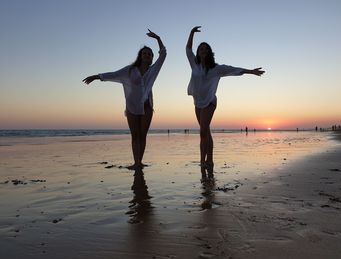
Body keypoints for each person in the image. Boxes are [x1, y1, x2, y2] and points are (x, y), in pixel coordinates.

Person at [186, 26, 264, 177]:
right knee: (206, 131)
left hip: (210, 102)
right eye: (200, 48)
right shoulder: (194, 65)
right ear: (198, 52)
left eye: (205, 48)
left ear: (209, 52)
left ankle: (203, 161)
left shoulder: (216, 68)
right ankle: (210, 160)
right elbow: (188, 49)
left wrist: (250, 71)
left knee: (202, 131)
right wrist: (191, 33)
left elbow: (234, 70)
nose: (202, 50)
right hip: (197, 102)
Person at [83, 30, 166, 170]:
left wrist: (158, 38)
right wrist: (96, 77)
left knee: (143, 135)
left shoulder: (153, 70)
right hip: (132, 107)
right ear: (140, 56)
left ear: (152, 58)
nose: (146, 55)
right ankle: (136, 162)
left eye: (149, 54)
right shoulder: (130, 70)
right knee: (135, 135)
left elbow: (163, 54)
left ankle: (140, 161)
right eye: (144, 53)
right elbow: (114, 75)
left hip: (146, 107)